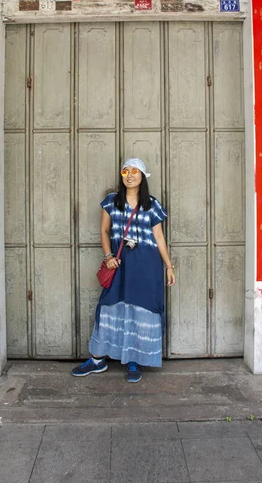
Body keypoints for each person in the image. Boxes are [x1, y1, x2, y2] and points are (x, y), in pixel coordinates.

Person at [72, 158, 176, 383]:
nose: (130, 175)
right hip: (119, 265)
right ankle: (97, 359)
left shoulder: (152, 204)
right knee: (110, 305)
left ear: (143, 177)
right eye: (126, 171)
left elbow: (158, 236)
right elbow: (104, 230)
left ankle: (133, 360)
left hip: (147, 266)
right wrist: (108, 256)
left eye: (135, 172)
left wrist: (168, 266)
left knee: (141, 309)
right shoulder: (112, 202)